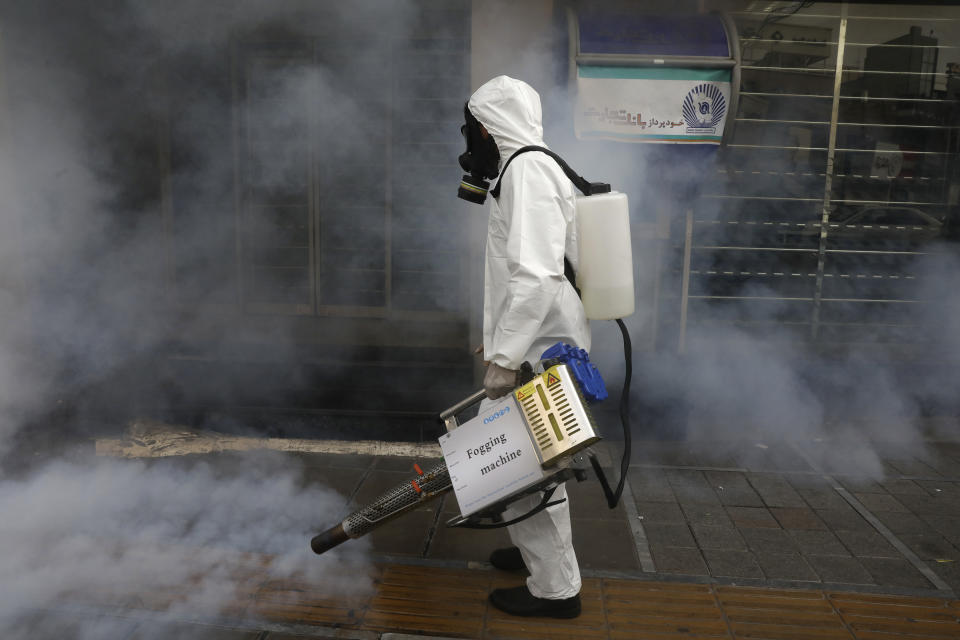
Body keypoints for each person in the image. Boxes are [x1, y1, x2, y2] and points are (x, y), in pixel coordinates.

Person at [458, 75, 588, 619]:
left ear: (488, 128)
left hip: (536, 353)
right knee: (530, 463)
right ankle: (536, 555)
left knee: (527, 467)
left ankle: (556, 590)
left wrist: (506, 359)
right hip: (541, 344)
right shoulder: (529, 165)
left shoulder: (528, 170)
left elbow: (535, 278)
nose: (469, 141)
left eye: (471, 130)